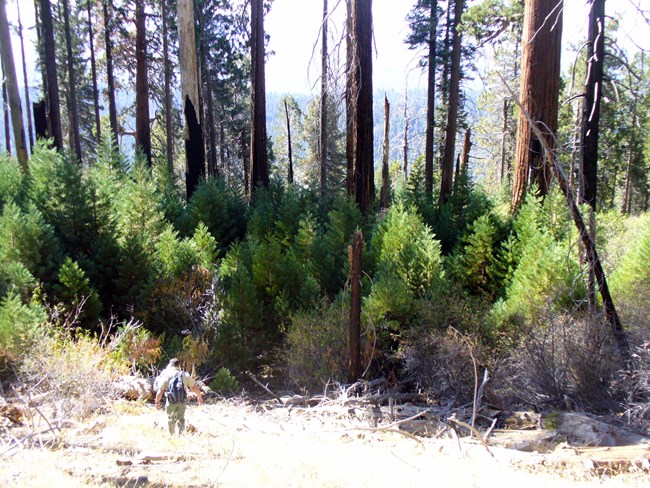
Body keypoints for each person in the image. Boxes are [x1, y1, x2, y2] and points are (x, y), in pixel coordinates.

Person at [155, 358, 204, 435]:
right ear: (178, 366)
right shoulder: (185, 375)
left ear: (170, 365)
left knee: (171, 419)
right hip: (182, 401)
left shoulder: (166, 375)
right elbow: (194, 387)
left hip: (171, 401)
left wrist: (157, 402)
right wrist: (199, 397)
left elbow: (160, 391)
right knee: (181, 419)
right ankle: (181, 435)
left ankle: (172, 435)